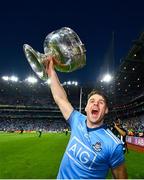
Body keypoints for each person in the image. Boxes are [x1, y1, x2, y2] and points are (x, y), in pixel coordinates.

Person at [44, 57, 128, 179]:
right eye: (92, 101)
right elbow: (60, 98)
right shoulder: (76, 119)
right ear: (86, 108)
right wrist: (51, 72)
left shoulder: (113, 145)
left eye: (101, 102)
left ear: (106, 110)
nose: (95, 104)